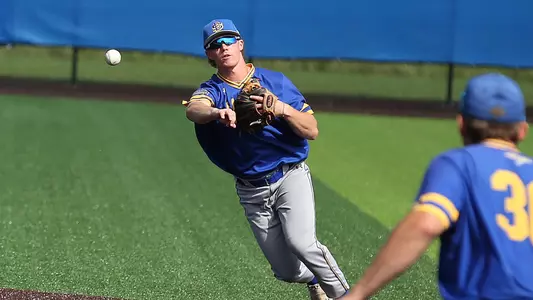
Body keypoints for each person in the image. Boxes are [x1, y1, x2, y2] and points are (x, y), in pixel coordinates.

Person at [182, 19, 350, 300]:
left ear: (240, 44)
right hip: (251, 189)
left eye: (228, 40)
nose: (223, 48)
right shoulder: (213, 90)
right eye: (215, 45)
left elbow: (312, 129)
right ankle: (315, 279)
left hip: (289, 175)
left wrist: (283, 108)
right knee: (288, 271)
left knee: (303, 243)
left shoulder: (276, 82)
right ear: (209, 54)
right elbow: (194, 109)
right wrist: (216, 113)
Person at [340, 73, 533, 300]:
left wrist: (359, 293)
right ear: (522, 130)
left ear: (461, 124)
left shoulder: (460, 164)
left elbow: (426, 224)